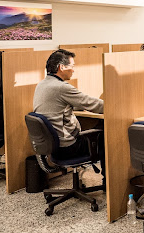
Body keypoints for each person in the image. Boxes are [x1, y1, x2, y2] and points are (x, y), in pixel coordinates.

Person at [33, 49, 105, 180]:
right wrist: (117, 106)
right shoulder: (61, 87)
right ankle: (109, 183)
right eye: (72, 66)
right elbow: (95, 105)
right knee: (108, 136)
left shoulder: (42, 84)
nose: (73, 70)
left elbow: (67, 103)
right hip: (68, 148)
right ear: (62, 67)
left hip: (53, 147)